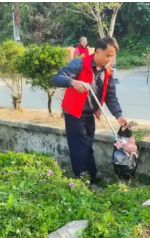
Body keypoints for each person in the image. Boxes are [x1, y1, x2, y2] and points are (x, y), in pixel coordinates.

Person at [52, 36, 129, 185]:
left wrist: (119, 116)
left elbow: (110, 96)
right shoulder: (79, 63)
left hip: (89, 113)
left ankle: (91, 177)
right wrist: (72, 82)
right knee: (79, 147)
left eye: (112, 56)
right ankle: (82, 180)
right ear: (97, 51)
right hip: (74, 112)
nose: (110, 59)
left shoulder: (107, 71)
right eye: (108, 55)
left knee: (88, 146)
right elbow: (57, 78)